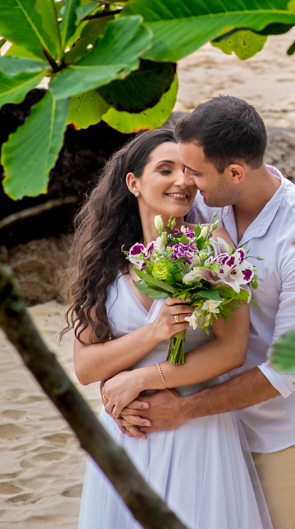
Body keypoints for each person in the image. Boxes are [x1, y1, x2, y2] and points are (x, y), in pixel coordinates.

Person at [116, 96, 295, 529]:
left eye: (195, 172)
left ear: (235, 172)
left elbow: (287, 372)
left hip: (284, 435)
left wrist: (183, 408)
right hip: (213, 437)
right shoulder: (207, 202)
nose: (187, 183)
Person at [65, 128, 270, 529]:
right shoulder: (102, 262)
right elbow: (86, 367)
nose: (182, 181)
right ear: (134, 182)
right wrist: (155, 332)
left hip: (196, 429)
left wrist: (138, 378)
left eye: (189, 171)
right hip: (127, 431)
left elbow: (232, 350)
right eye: (166, 169)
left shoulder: (214, 250)